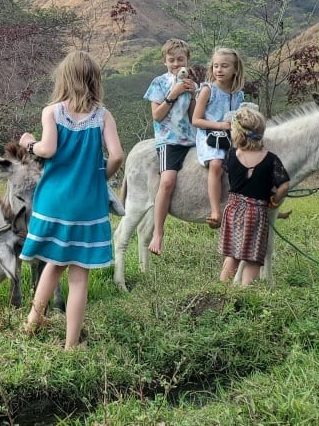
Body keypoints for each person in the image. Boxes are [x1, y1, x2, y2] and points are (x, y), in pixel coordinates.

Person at [18, 51, 124, 350]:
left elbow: (48, 150)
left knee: (53, 262)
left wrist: (28, 142)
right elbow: (117, 155)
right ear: (94, 81)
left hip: (54, 200)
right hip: (87, 203)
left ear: (63, 79)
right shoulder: (103, 115)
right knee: (79, 276)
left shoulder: (52, 111)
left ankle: (33, 321)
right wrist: (101, 175)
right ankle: (70, 345)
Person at [218, 106, 289, 286]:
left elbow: (228, 174)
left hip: (233, 210)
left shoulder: (232, 155)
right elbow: (284, 185)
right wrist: (275, 199)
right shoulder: (271, 159)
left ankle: (222, 289)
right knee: (253, 258)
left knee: (232, 254)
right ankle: (245, 289)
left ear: (238, 134)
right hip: (257, 212)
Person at [143, 38, 198, 255]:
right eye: (171, 60)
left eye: (180, 59)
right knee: (167, 181)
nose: (176, 64)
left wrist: (194, 95)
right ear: (164, 61)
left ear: (187, 60)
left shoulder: (194, 84)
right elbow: (157, 116)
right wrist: (172, 95)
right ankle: (158, 232)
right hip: (169, 140)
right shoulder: (158, 83)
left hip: (192, 139)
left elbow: (195, 117)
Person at [193, 47, 246, 228]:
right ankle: (215, 210)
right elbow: (196, 120)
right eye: (216, 66)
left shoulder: (238, 94)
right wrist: (220, 125)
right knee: (216, 164)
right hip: (209, 135)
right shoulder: (208, 90)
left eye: (224, 66)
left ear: (235, 69)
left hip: (231, 136)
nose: (219, 70)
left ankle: (256, 203)